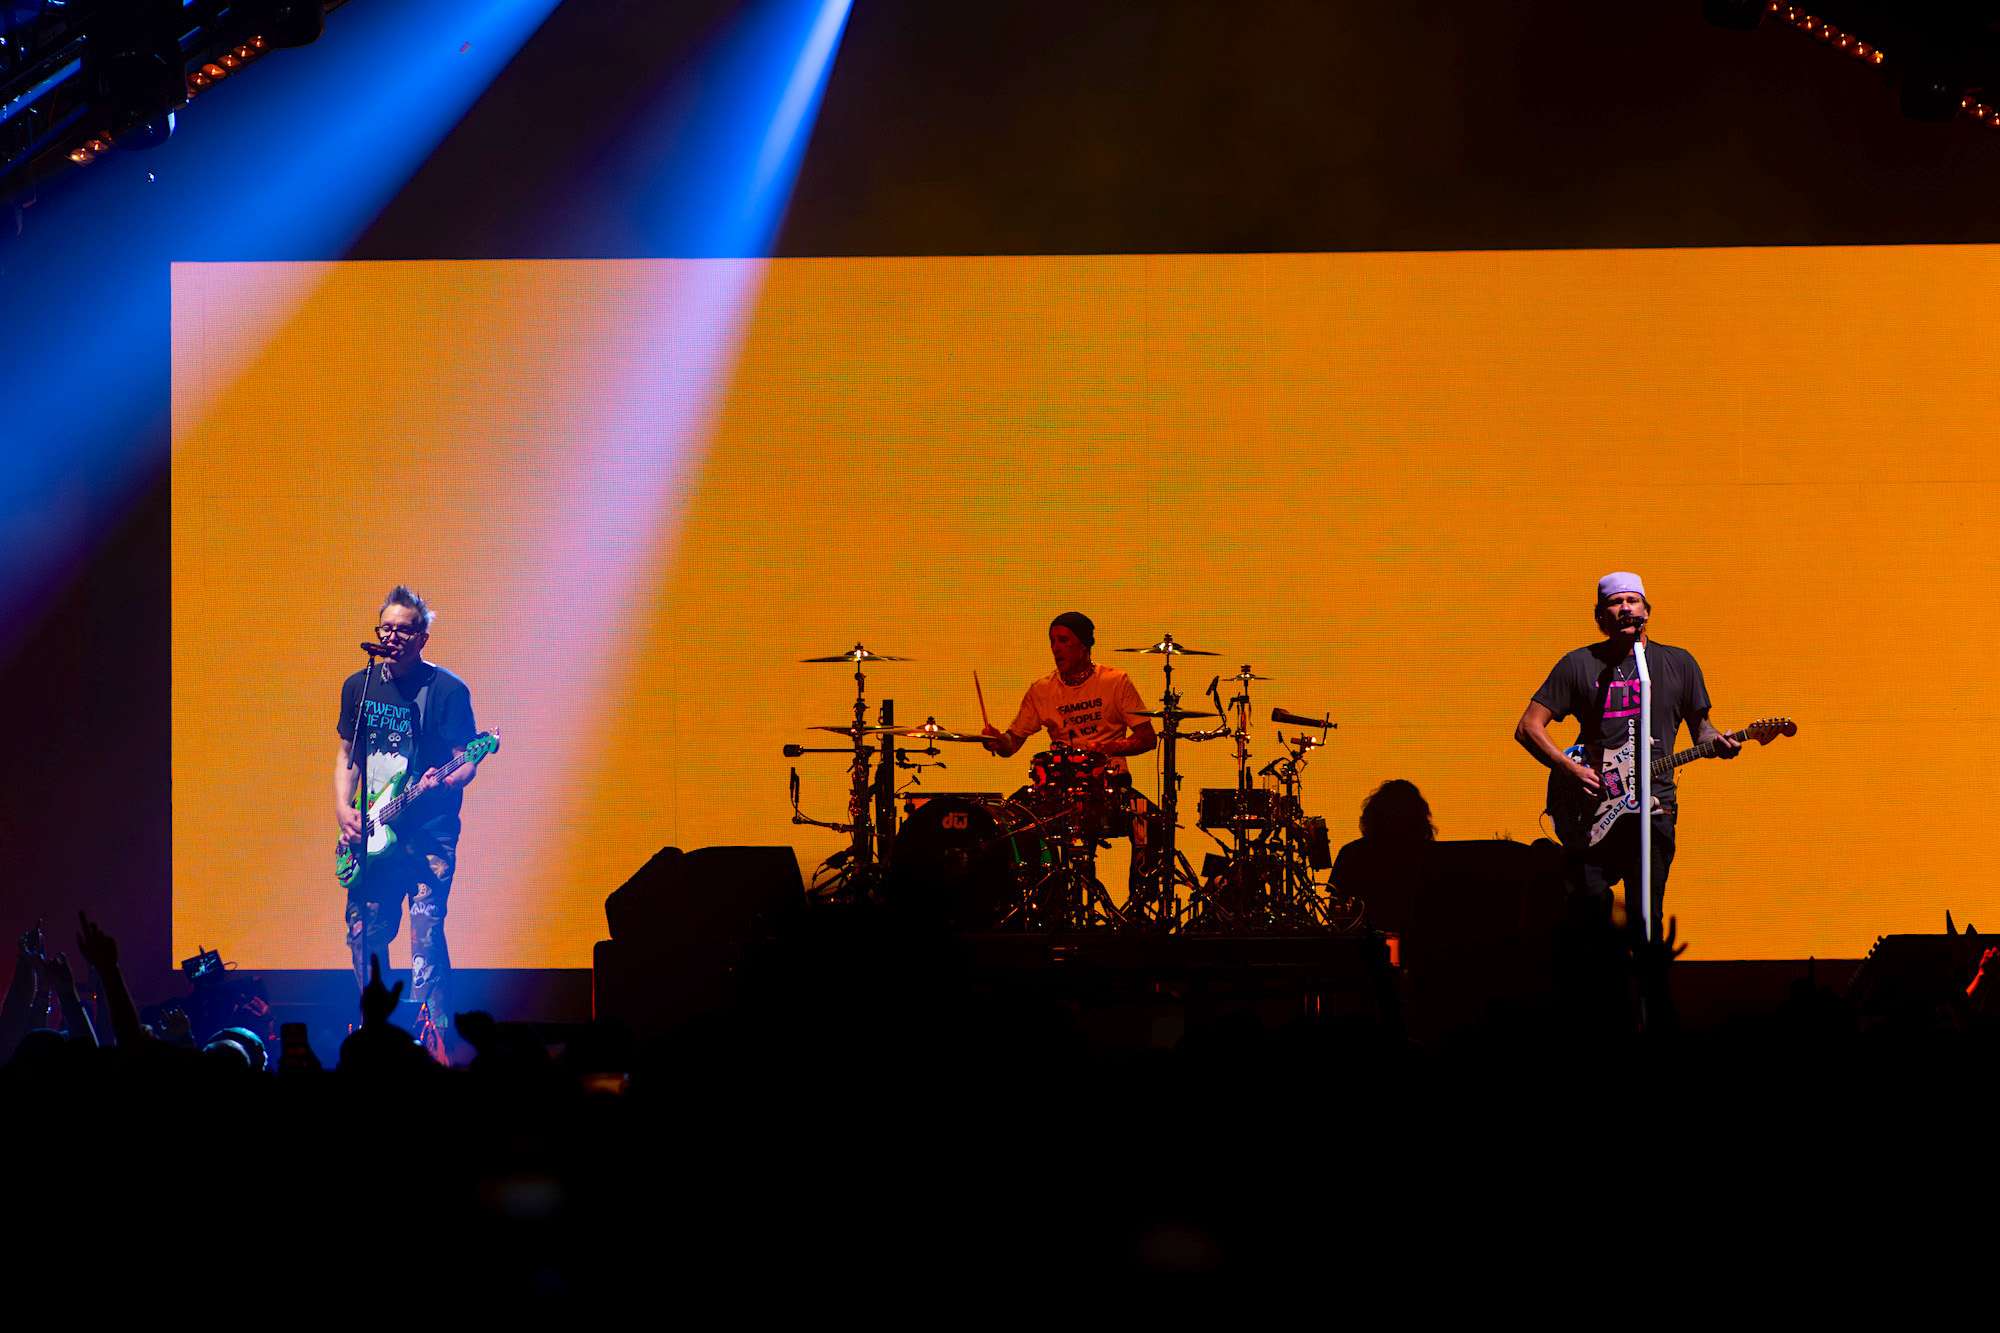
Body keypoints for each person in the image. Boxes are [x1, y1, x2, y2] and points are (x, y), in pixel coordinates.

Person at [1513, 572, 1737, 935]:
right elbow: (1528, 727)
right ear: (1600, 616)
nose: (1626, 608)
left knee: (1645, 919)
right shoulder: (1579, 664)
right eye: (1616, 602)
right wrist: (1571, 769)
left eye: (1633, 601)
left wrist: (1719, 742)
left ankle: (1647, 970)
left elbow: (1702, 731)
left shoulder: (1678, 663)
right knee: (1589, 912)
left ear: (1647, 611)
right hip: (1591, 809)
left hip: (1654, 806)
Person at [335, 586, 478, 1059]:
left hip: (428, 834)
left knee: (425, 938)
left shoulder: (448, 691)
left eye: (403, 629)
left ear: (423, 638)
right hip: (374, 831)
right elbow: (347, 755)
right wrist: (343, 809)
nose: (392, 636)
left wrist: (448, 780)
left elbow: (466, 759)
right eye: (386, 628)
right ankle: (375, 1035)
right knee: (364, 932)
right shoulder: (359, 686)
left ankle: (434, 1042)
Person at [981, 612, 1160, 909]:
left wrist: (1107, 748)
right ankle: (1039, 903)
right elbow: (1011, 744)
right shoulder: (1042, 689)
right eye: (1052, 641)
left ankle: (1139, 907)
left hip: (1109, 785)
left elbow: (1147, 738)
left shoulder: (1115, 681)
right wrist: (998, 740)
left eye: (1063, 640)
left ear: (1085, 644)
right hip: (1056, 791)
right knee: (1010, 821)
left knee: (1151, 822)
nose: (1056, 648)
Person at [1329, 779, 1436, 937]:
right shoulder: (1432, 856)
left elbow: (1336, 910)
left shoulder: (1351, 853)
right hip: (1421, 943)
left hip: (1365, 945)